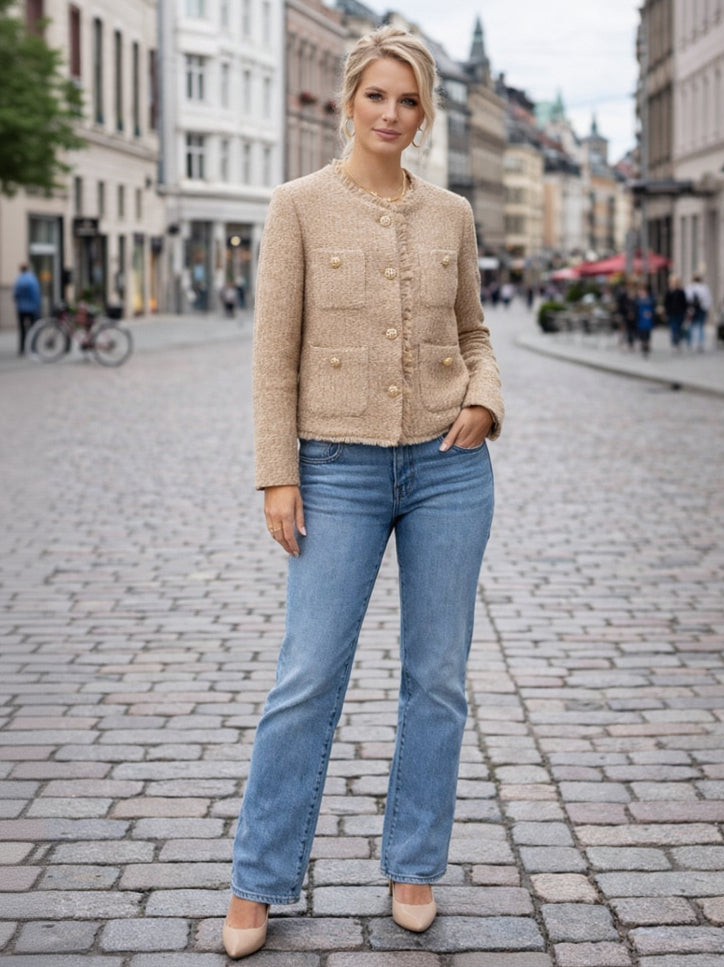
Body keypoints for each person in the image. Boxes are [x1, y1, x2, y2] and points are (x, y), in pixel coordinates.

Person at [223, 25, 504, 960]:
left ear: (424, 113)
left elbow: (475, 332)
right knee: (305, 677)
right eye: (377, 95)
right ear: (348, 100)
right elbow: (272, 355)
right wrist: (277, 473)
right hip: (333, 469)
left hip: (446, 467)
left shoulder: (453, 215)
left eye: (409, 99)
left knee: (436, 678)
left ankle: (414, 861)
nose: (392, 114)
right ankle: (259, 877)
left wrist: (483, 401)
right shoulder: (297, 206)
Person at [13, 263, 41, 356]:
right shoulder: (32, 279)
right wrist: (38, 305)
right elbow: (35, 294)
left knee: (22, 329)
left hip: (21, 308)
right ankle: (33, 348)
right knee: (33, 328)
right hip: (32, 308)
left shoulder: (18, 280)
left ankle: (22, 349)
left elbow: (15, 295)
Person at [685, 273, 712, 351]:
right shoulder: (704, 288)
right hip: (702, 309)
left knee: (690, 326)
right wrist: (707, 309)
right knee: (701, 326)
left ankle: (689, 342)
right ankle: (700, 343)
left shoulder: (689, 287)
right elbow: (708, 300)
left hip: (692, 310)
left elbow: (687, 299)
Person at [663, 275, 688, 350]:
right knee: (673, 327)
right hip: (671, 312)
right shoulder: (668, 291)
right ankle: (675, 342)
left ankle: (678, 340)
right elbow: (666, 303)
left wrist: (685, 311)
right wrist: (666, 312)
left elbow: (684, 303)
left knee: (679, 328)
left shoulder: (681, 291)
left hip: (680, 312)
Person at [635, 284, 655, 357]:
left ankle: (646, 347)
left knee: (647, 334)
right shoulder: (638, 300)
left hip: (647, 321)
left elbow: (653, 308)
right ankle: (644, 347)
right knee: (642, 334)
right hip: (640, 320)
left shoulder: (650, 299)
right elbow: (635, 309)